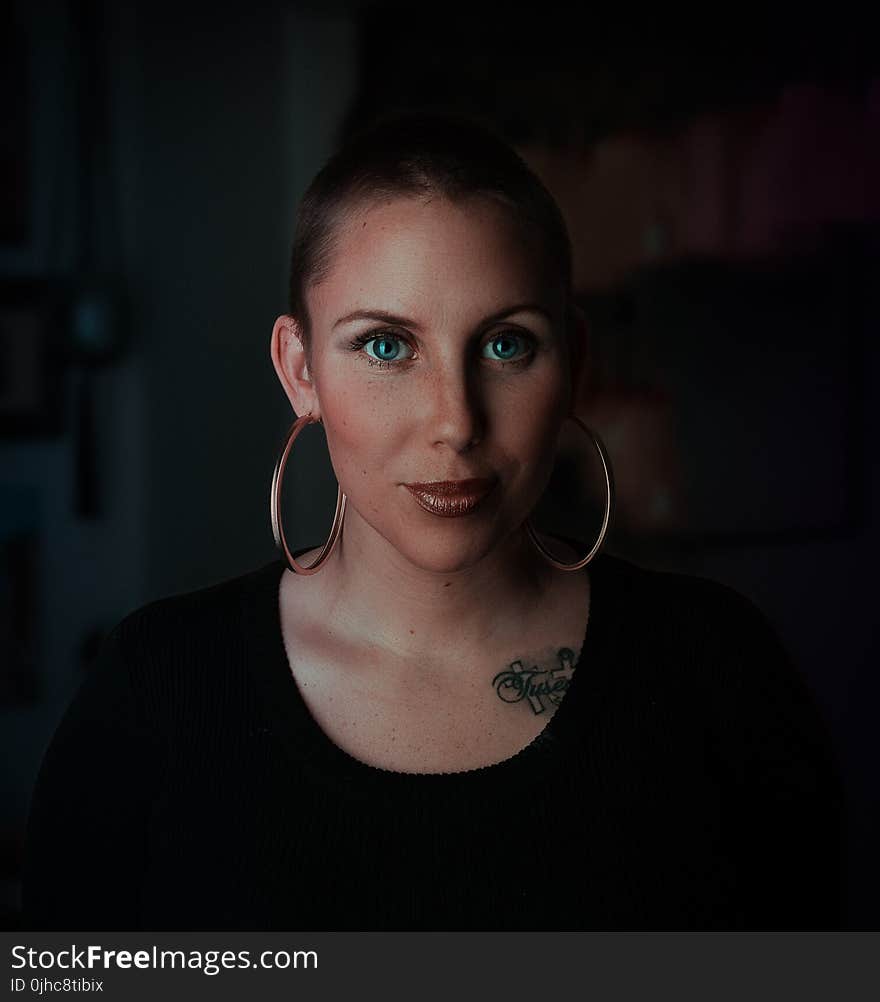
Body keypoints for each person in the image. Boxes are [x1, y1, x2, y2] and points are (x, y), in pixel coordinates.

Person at [21, 111, 843, 932]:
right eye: (386, 347)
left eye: (506, 346)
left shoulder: (716, 670)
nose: (456, 422)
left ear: (576, 365)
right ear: (300, 370)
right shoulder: (157, 687)